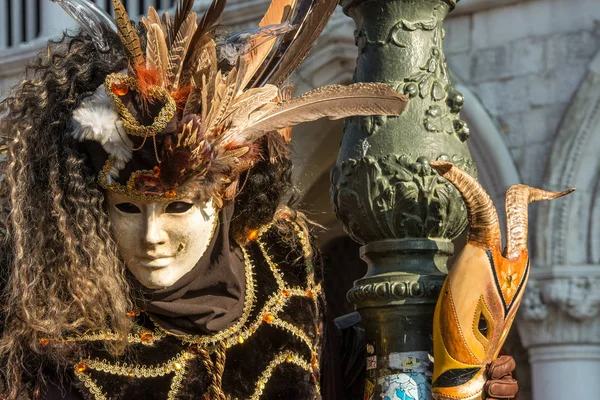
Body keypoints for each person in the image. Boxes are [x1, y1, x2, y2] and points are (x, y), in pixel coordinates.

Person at [0, 0, 518, 399]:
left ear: (222, 199)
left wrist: (444, 363)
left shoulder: (280, 263)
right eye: (128, 209)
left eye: (177, 207)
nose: (151, 237)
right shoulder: (56, 337)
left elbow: (335, 374)